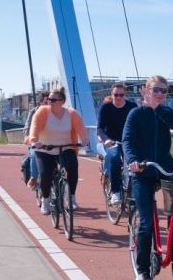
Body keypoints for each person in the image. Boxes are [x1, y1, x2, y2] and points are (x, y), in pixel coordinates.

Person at [122, 76, 173, 280]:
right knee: (146, 223)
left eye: (164, 91)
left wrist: (157, 108)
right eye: (156, 89)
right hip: (143, 171)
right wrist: (132, 161)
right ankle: (143, 271)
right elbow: (127, 140)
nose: (160, 94)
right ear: (144, 91)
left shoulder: (165, 113)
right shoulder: (136, 114)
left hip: (165, 167)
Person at [27, 87, 89, 215]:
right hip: (45, 149)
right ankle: (45, 200)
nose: (50, 101)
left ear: (62, 101)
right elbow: (34, 127)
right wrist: (34, 140)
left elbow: (81, 129)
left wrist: (84, 139)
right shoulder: (42, 111)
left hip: (65, 148)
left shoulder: (71, 113)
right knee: (45, 174)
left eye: (53, 99)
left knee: (72, 167)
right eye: (49, 99)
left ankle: (71, 197)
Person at [96, 83, 136, 205]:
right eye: (115, 95)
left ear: (125, 95)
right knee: (114, 157)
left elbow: (138, 125)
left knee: (135, 161)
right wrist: (105, 139)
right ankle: (116, 192)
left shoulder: (132, 107)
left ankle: (135, 191)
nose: (118, 97)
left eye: (121, 95)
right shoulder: (105, 107)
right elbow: (100, 128)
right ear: (111, 95)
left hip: (127, 141)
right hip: (111, 141)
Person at [23, 92, 50, 188]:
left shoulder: (55, 112)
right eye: (47, 101)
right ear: (41, 101)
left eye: (50, 100)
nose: (49, 103)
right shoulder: (34, 112)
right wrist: (29, 140)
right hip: (36, 141)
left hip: (51, 142)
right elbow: (27, 127)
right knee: (35, 154)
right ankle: (34, 177)